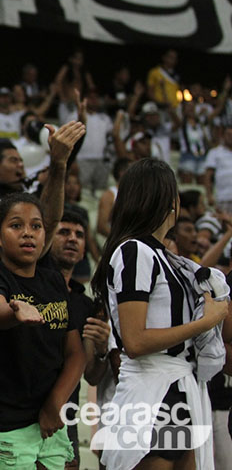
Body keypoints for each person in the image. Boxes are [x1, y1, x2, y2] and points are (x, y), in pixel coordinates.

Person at [93, 157, 230, 470]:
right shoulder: (134, 251)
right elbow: (135, 341)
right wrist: (205, 322)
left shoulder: (165, 257)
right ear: (170, 200)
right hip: (151, 393)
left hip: (180, 389)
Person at [0, 193, 86, 468]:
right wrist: (15, 312)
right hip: (2, 428)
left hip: (49, 424)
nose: (28, 234)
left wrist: (53, 405)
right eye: (16, 226)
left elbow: (75, 354)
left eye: (36, 226)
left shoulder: (54, 280)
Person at [47, 210, 111, 469]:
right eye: (64, 232)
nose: (72, 239)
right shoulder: (27, 291)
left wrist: (103, 349)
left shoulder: (86, 305)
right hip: (20, 415)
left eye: (79, 235)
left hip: (66, 416)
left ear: (85, 249)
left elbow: (93, 376)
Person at [0, 119, 85, 261]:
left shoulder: (28, 186)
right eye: (14, 160)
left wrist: (79, 129)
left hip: (27, 271)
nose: (21, 165)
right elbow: (6, 223)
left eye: (21, 160)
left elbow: (58, 168)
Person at [204, 125, 232, 213]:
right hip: (223, 197)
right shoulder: (215, 152)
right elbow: (208, 175)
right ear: (223, 136)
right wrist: (209, 195)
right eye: (228, 134)